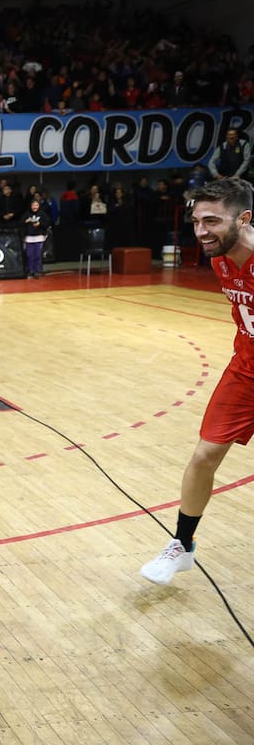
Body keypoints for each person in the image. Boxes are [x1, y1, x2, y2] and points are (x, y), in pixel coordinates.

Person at [142, 177, 254, 584]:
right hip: (245, 370)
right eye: (195, 222)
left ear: (244, 219)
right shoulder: (219, 257)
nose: (201, 232)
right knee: (204, 456)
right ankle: (182, 546)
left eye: (212, 221)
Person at [22, 199, 52, 278]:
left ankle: (37, 271)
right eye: (33, 205)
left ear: (39, 206)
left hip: (39, 237)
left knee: (38, 255)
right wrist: (26, 222)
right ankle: (30, 271)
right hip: (29, 238)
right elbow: (20, 224)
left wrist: (40, 224)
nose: (34, 207)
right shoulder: (26, 214)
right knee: (29, 255)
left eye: (36, 205)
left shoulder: (42, 214)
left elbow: (48, 223)